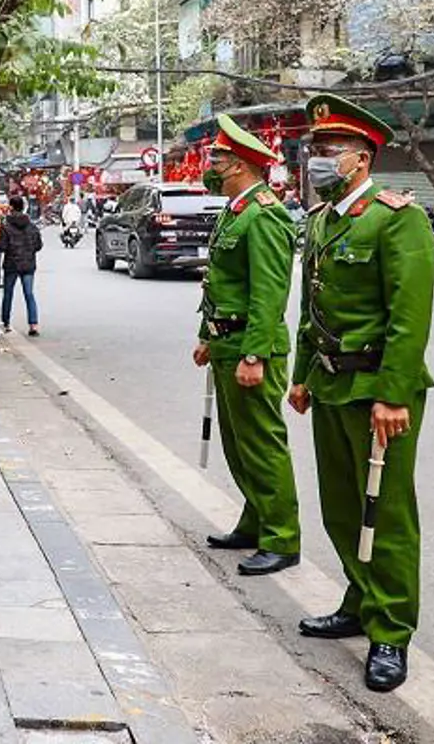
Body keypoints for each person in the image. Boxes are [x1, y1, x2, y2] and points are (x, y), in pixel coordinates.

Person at [288, 94, 434, 694]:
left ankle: (391, 631)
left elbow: (410, 314)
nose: (317, 160)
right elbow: (312, 309)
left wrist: (394, 393)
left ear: (361, 158)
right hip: (329, 382)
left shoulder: (397, 217)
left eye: (328, 151)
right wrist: (300, 374)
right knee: (343, 507)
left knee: (387, 513)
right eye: (314, 150)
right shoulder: (323, 220)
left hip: (379, 388)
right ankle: (359, 598)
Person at [192, 114, 301, 578]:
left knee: (261, 443)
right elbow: (220, 282)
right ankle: (255, 521)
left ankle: (282, 537)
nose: (210, 164)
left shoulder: (264, 215)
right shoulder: (236, 210)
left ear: (237, 164)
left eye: (216, 157)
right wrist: (205, 335)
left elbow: (268, 293)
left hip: (250, 348)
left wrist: (255, 354)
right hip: (226, 342)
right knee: (237, 445)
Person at [0, 196, 42, 336]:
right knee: (29, 294)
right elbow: (38, 245)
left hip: (11, 264)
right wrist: (28, 251)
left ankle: (6, 323)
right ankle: (33, 324)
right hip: (28, 264)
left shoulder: (6, 226)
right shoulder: (32, 226)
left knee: (8, 294)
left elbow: (2, 247)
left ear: (11, 207)